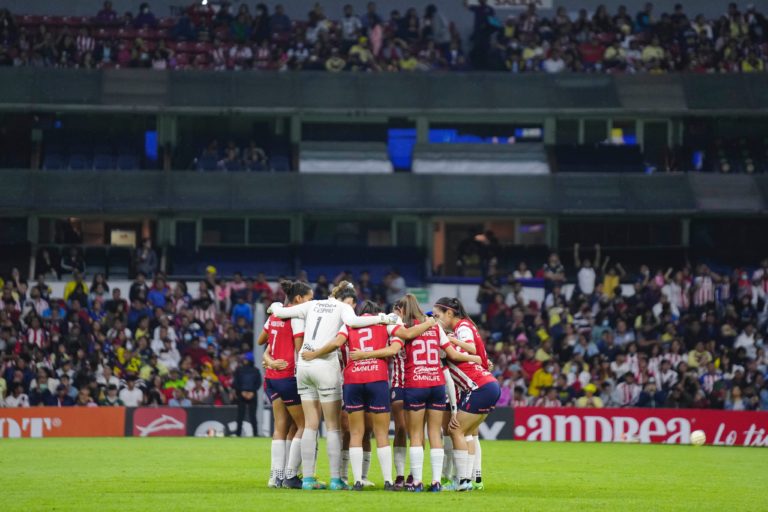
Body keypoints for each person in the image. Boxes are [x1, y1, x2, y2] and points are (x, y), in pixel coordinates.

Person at [268, 281, 398, 491]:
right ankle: (336, 479)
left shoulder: (313, 304)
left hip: (303, 366)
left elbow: (281, 313)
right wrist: (383, 317)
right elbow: (354, 322)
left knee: (309, 424)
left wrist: (274, 305)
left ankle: (308, 480)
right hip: (325, 366)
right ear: (346, 298)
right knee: (333, 426)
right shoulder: (343, 308)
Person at [351, 294, 480, 492]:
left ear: (401, 311)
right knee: (409, 430)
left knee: (415, 432)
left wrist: (363, 355)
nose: (395, 315)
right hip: (412, 384)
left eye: (397, 311)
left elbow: (401, 343)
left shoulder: (401, 330)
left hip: (413, 383)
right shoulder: (429, 326)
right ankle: (409, 476)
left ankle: (415, 477)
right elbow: (450, 354)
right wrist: (475, 357)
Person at [302, 301, 400, 491]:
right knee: (381, 433)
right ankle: (388, 481)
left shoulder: (348, 325)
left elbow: (336, 343)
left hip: (352, 380)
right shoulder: (384, 324)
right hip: (377, 379)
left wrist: (314, 354)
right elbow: (395, 347)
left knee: (355, 433)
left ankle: (356, 482)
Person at [433, 297, 497, 492]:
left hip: (480, 387)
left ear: (449, 313)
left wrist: (450, 340)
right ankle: (469, 479)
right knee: (467, 433)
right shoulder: (462, 328)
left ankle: (462, 481)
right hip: (488, 385)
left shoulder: (461, 327)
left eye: (437, 316)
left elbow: (471, 349)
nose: (435, 320)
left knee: (455, 431)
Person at [257, 280, 311, 489]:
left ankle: (275, 476)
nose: (310, 302)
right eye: (309, 298)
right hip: (288, 376)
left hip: (271, 378)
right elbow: (300, 348)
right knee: (303, 425)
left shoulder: (274, 315)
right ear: (299, 299)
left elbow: (262, 340)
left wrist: (269, 359)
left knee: (281, 426)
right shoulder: (296, 318)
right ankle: (290, 474)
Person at [233, 352, 261, 437]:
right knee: (253, 415)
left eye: (245, 359)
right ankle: (255, 434)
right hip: (252, 394)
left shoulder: (239, 370)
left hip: (242, 394)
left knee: (240, 415)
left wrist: (242, 392)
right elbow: (258, 383)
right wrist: (252, 391)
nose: (244, 361)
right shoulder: (256, 370)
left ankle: (238, 434)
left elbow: (235, 382)